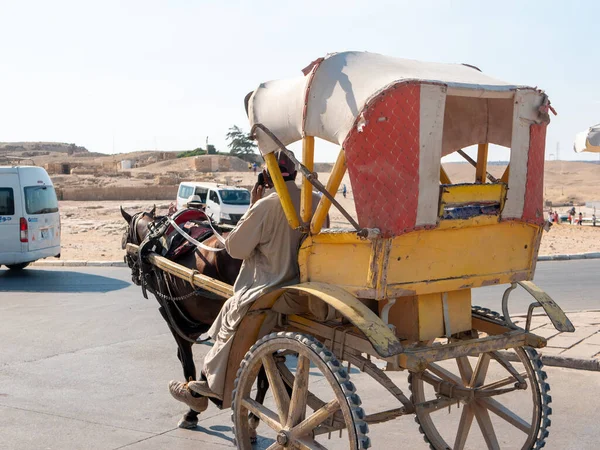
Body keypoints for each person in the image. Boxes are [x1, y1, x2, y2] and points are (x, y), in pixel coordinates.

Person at [169, 151, 324, 406]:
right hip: (307, 289)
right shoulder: (315, 201)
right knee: (229, 311)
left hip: (272, 289)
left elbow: (235, 249)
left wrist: (252, 207)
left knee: (233, 308)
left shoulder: (268, 205)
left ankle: (209, 386)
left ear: (265, 177)